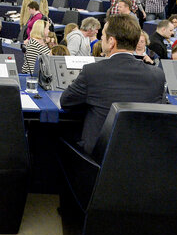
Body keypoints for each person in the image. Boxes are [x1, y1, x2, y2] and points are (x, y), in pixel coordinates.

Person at [61, 15, 167, 154]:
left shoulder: (93, 71)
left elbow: (66, 102)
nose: (101, 38)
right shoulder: (157, 75)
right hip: (141, 156)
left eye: (103, 35)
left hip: (98, 158)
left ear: (111, 42)